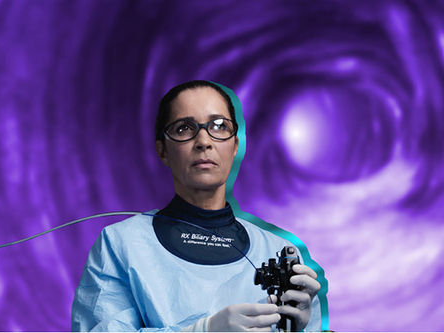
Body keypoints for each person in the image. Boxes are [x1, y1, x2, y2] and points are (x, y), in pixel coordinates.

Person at [71, 80, 323, 331]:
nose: (204, 141)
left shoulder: (279, 251)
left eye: (219, 126)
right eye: (184, 128)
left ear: (234, 145)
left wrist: (299, 329)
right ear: (163, 151)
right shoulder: (121, 244)